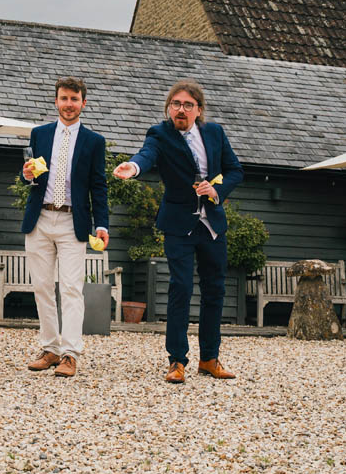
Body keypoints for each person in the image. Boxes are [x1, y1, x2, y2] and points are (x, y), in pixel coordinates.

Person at [113, 80, 244, 384]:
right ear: (168, 107)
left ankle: (209, 359)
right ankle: (177, 361)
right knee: (181, 287)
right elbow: (146, 155)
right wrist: (132, 168)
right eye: (175, 104)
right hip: (178, 223)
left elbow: (236, 169)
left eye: (187, 104)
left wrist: (217, 189)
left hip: (211, 223)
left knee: (215, 290)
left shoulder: (214, 133)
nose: (181, 109)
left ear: (199, 109)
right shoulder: (159, 134)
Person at [20, 77, 110, 378]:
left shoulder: (94, 142)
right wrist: (27, 175)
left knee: (71, 288)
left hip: (74, 221)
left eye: (74, 99)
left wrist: (102, 224)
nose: (68, 104)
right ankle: (50, 348)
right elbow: (31, 178)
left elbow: (99, 186)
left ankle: (70, 354)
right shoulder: (39, 134)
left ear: (83, 103)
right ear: (56, 101)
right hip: (40, 218)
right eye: (63, 98)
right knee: (42, 287)